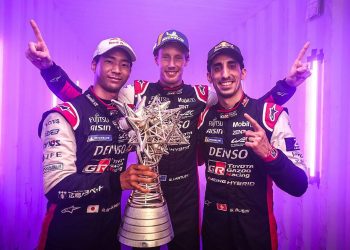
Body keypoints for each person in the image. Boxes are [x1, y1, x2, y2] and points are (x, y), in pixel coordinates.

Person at [27, 20, 310, 249]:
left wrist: (288, 85)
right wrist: (49, 70)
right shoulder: (136, 91)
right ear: (156, 59)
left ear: (186, 60)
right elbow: (90, 103)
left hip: (186, 192)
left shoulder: (202, 94)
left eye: (178, 58)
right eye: (165, 57)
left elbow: (246, 105)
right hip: (146, 187)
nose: (172, 64)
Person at [29, 22, 157, 249]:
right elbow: (56, 186)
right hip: (69, 230)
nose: (117, 69)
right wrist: (119, 180)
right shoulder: (65, 115)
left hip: (110, 229)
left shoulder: (125, 115)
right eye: (109, 61)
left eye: (124, 64)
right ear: (93, 65)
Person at [197, 41, 309, 250]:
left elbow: (299, 185)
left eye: (232, 66)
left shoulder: (270, 116)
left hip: (256, 234)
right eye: (217, 68)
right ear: (209, 76)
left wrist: (270, 154)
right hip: (213, 233)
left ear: (243, 72)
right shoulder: (203, 117)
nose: (225, 74)